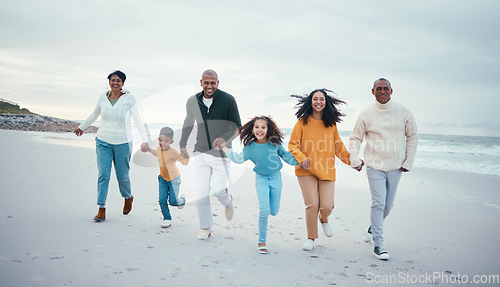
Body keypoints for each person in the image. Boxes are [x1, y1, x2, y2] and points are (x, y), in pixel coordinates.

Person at [349, 78, 418, 260]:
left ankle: (373, 226)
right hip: (374, 166)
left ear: (391, 91)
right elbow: (355, 138)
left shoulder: (404, 112)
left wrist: (408, 162)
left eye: (385, 88)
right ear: (372, 92)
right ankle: (378, 244)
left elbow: (412, 136)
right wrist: (354, 158)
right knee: (378, 203)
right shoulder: (366, 113)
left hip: (396, 167)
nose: (382, 91)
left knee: (388, 206)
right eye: (378, 88)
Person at [74, 70, 150, 222]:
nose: (115, 83)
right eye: (113, 80)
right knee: (104, 175)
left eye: (118, 80)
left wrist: (145, 140)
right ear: (109, 81)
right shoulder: (103, 97)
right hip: (103, 141)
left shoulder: (129, 99)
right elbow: (95, 114)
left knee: (122, 176)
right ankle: (101, 208)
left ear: (123, 84)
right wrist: (82, 127)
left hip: (123, 142)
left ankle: (128, 197)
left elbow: (138, 120)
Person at [179, 69, 241, 240]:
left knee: (219, 190)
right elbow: (188, 122)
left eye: (213, 83)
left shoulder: (228, 100)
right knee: (202, 191)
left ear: (217, 83)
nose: (209, 86)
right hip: (200, 152)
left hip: (222, 154)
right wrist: (182, 144)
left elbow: (237, 126)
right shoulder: (193, 101)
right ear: (201, 83)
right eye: (206, 82)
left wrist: (224, 139)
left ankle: (227, 200)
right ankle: (205, 227)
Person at [221, 116, 297, 254]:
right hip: (261, 178)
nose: (260, 130)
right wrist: (225, 149)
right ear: (252, 129)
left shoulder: (275, 143)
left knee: (273, 211)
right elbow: (238, 159)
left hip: (276, 178)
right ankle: (262, 241)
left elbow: (285, 155)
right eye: (257, 127)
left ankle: (269, 215)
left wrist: (300, 161)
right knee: (264, 210)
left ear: (268, 129)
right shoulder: (250, 147)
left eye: (263, 127)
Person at [288, 89, 351, 251]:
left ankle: (324, 219)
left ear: (326, 102)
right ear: (310, 102)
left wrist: (354, 162)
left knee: (327, 206)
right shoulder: (302, 122)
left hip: (326, 169)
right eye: (315, 99)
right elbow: (292, 145)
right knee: (312, 205)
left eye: (321, 99)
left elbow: (339, 147)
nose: (318, 102)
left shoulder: (331, 124)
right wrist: (302, 159)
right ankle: (311, 238)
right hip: (306, 170)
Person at [146, 126, 189, 228]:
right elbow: (157, 154)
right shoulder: (158, 149)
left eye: (166, 141)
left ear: (171, 142)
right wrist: (149, 149)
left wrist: (186, 157)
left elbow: (184, 162)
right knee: (162, 200)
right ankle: (167, 218)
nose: (163, 143)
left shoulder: (173, 152)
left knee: (173, 202)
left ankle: (182, 200)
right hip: (163, 179)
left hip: (174, 179)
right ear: (158, 140)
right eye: (161, 140)